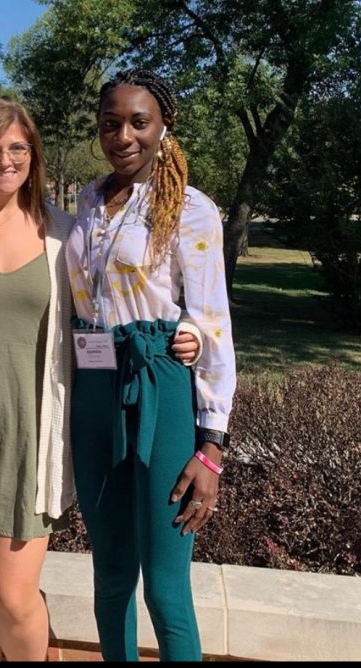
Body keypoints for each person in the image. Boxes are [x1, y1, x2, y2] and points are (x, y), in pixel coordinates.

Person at [0, 97, 204, 662]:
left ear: (33, 154)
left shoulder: (64, 235)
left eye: (17, 147)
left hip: (31, 431)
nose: (4, 159)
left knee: (13, 595)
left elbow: (126, 299)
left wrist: (187, 329)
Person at [65, 68, 236, 662]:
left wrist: (211, 446)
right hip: (93, 382)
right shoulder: (86, 201)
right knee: (110, 578)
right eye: (111, 124)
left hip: (159, 383)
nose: (124, 136)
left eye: (139, 122)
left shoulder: (190, 209)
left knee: (165, 589)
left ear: (164, 126)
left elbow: (211, 320)